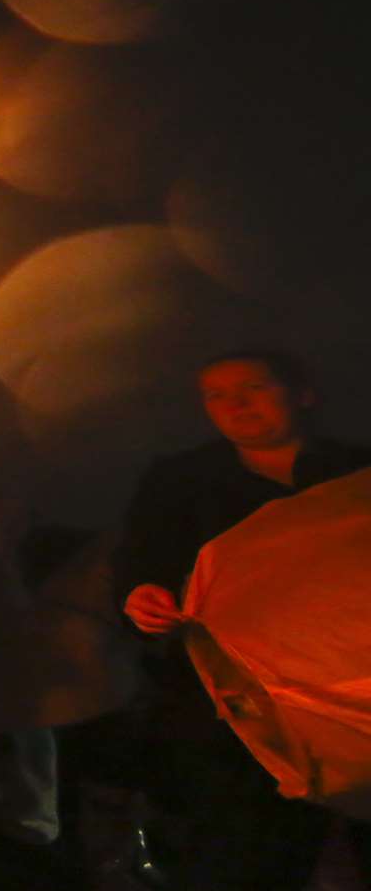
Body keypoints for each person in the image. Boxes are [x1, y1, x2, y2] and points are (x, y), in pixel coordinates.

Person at [116, 350, 371, 889]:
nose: (235, 404)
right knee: (249, 857)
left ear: (302, 394)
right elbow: (141, 563)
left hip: (357, 703)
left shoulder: (354, 475)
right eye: (217, 395)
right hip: (241, 716)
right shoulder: (181, 482)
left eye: (253, 387)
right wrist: (143, 599)